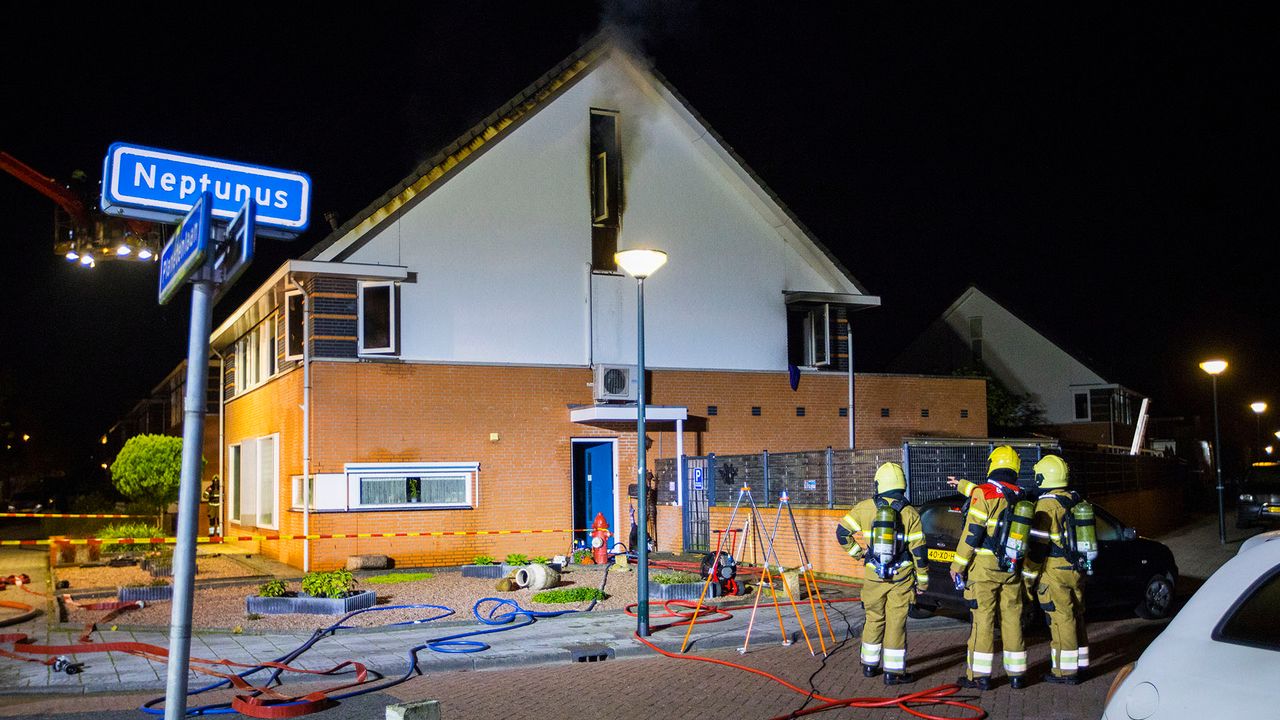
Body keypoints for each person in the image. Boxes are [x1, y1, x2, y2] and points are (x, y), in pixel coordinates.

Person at [836, 462, 929, 685]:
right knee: (896, 622)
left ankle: (869, 665)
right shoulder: (910, 513)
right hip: (901, 578)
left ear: (879, 484)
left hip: (873, 576)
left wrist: (858, 554)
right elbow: (919, 552)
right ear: (902, 485)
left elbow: (841, 533)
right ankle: (894, 673)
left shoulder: (864, 507)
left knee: (874, 618)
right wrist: (923, 581)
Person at [947, 445, 1029, 690]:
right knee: (1013, 619)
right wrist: (961, 485)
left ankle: (979, 677)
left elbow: (972, 532)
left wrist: (957, 565)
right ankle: (1017, 676)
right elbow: (987, 491)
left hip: (983, 569)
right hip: (1012, 566)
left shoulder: (984, 494)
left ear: (992, 464)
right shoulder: (1021, 495)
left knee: (982, 621)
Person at [1022, 454, 1089, 684]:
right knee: (1077, 615)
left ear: (1044, 477)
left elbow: (1039, 548)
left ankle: (1065, 672)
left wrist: (1028, 579)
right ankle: (1081, 664)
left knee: (1062, 620)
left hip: (1055, 569)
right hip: (1076, 568)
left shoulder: (1046, 505)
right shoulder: (1074, 499)